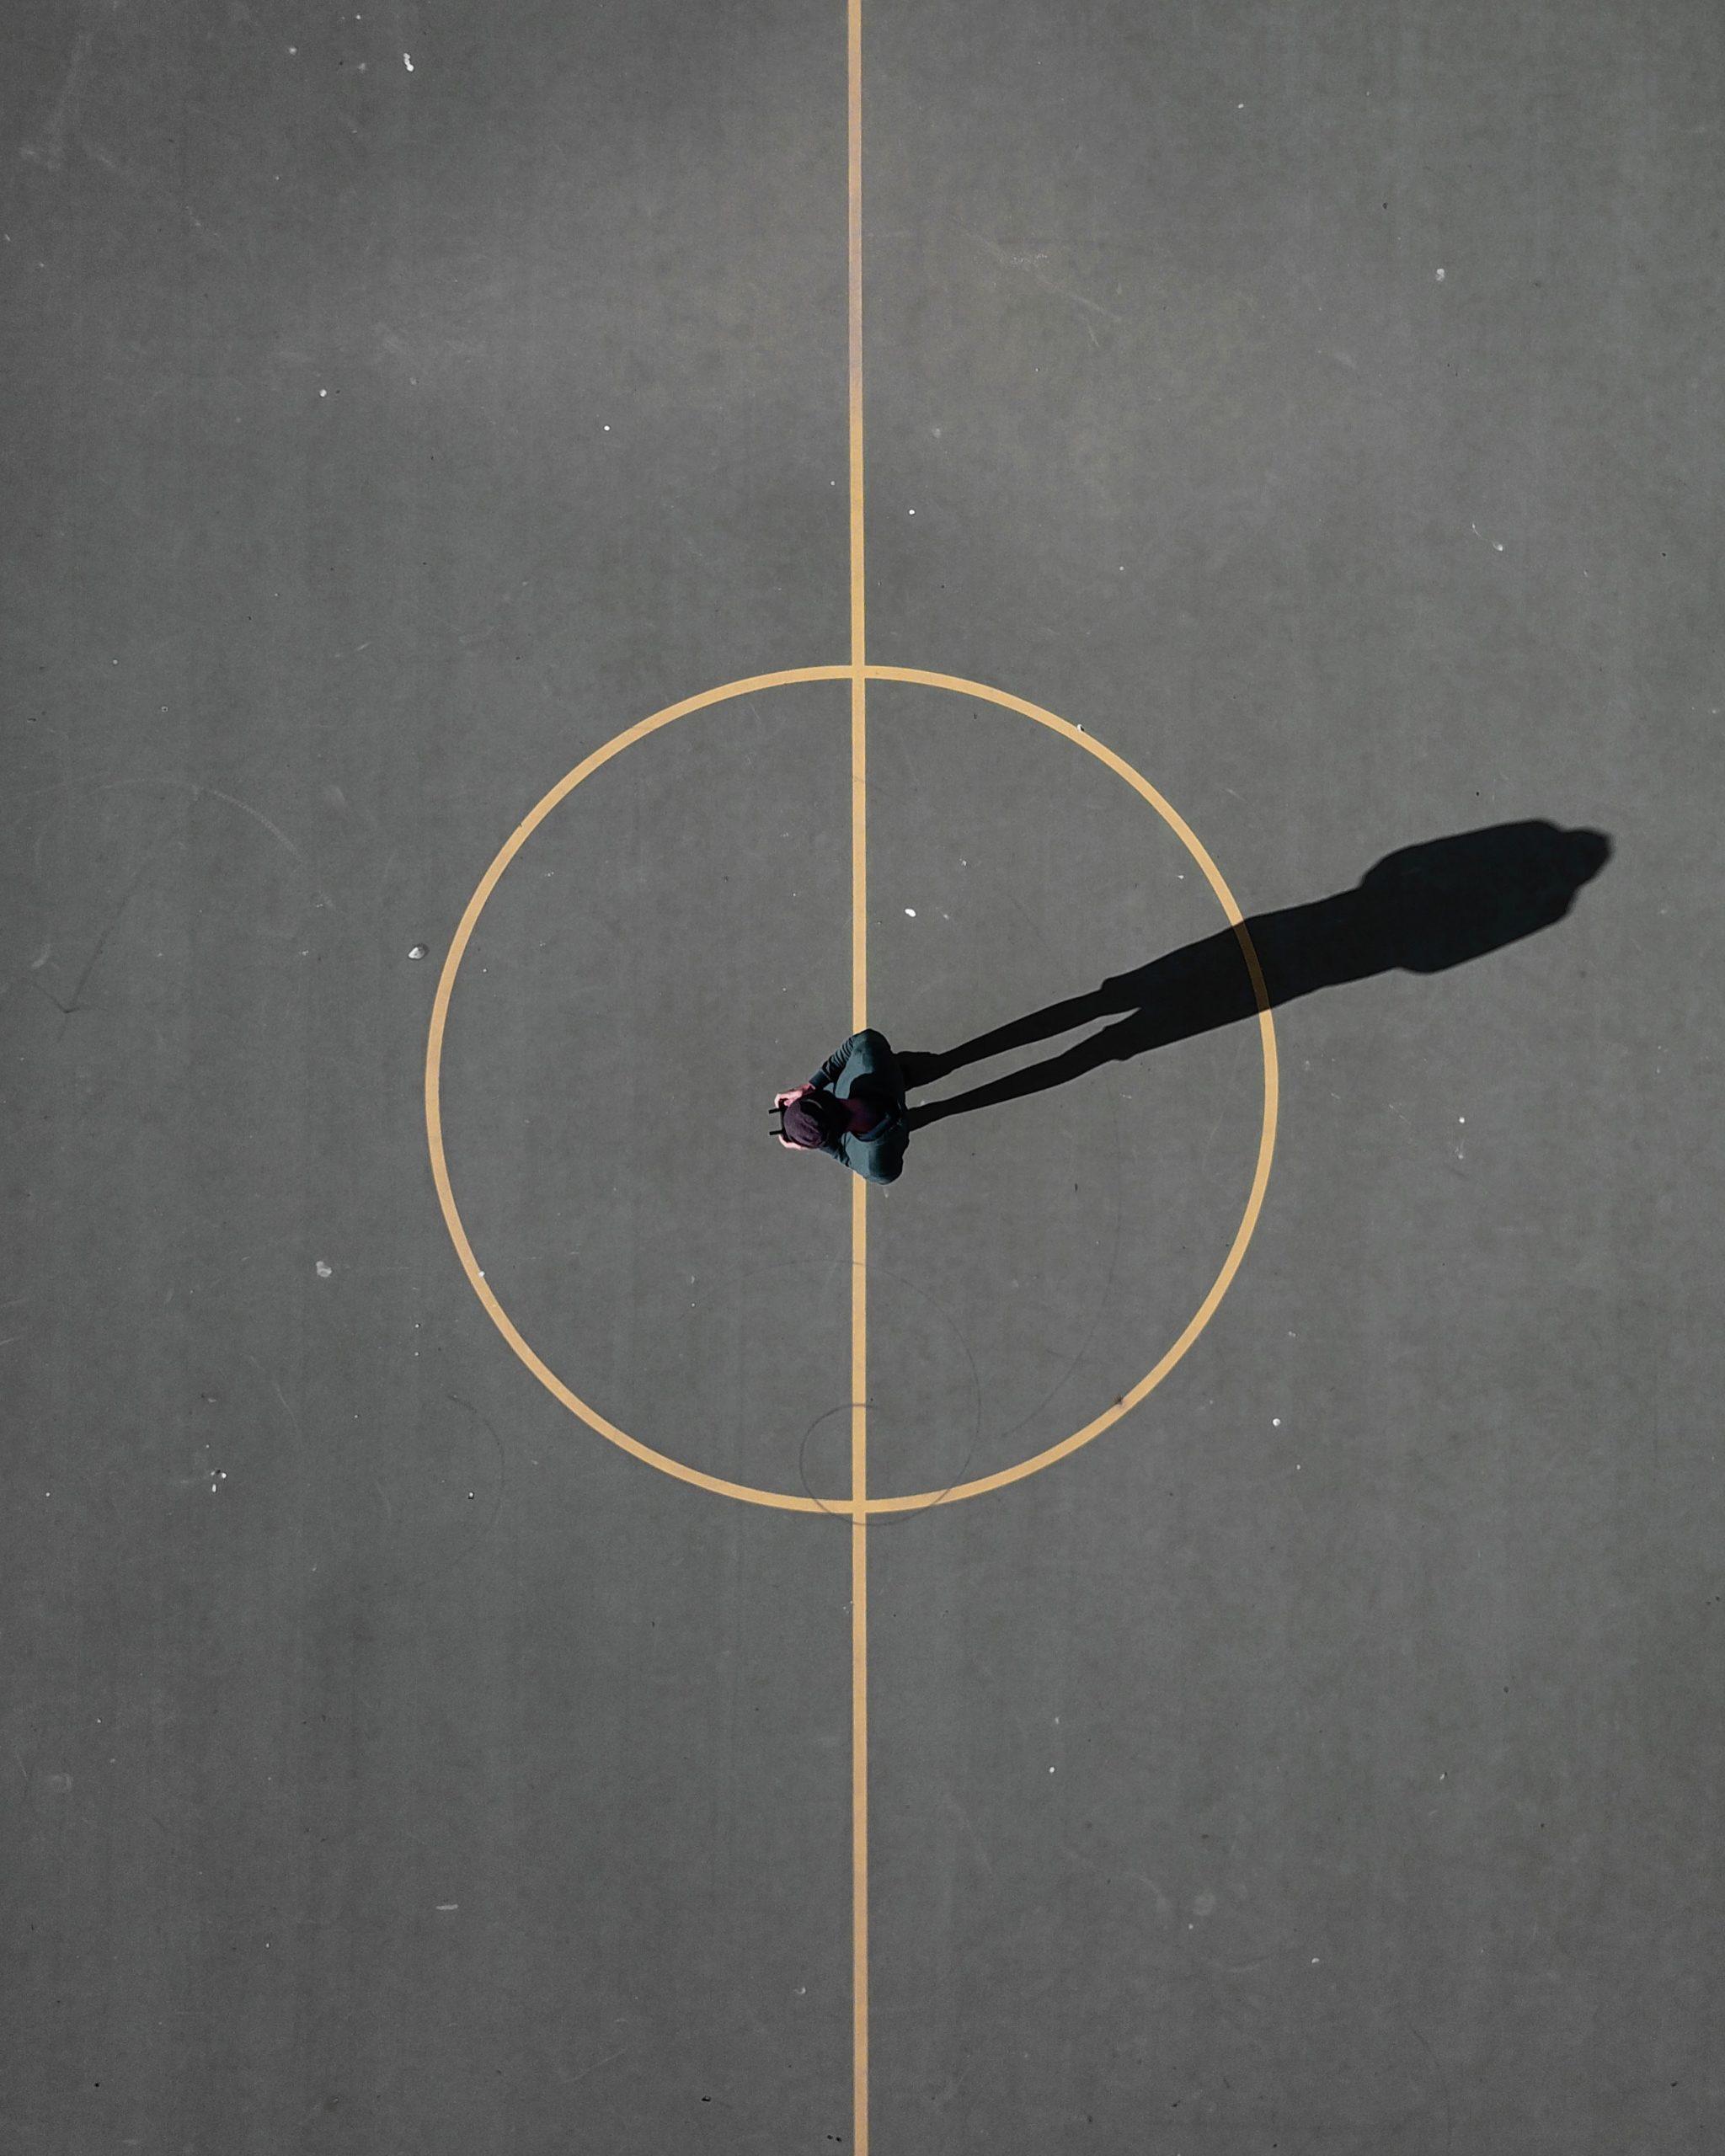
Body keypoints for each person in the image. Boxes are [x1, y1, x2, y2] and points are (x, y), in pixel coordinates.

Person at [773, 1028, 911, 1184]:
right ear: (825, 1094)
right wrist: (812, 1085)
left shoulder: (874, 1165)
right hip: (894, 1073)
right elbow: (862, 1040)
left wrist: (817, 1140)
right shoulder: (867, 1055)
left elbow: (849, 1159)